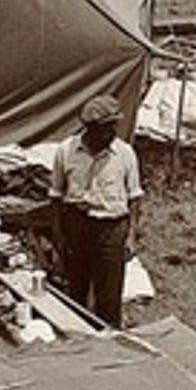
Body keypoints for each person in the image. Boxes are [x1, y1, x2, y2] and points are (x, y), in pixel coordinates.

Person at [49, 94, 142, 328]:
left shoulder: (125, 153)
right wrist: (58, 233)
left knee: (109, 296)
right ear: (90, 128)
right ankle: (78, 342)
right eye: (105, 127)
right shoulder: (65, 151)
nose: (112, 132)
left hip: (111, 229)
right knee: (76, 290)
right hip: (77, 226)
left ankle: (108, 343)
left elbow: (134, 198)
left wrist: (130, 236)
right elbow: (56, 196)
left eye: (114, 125)